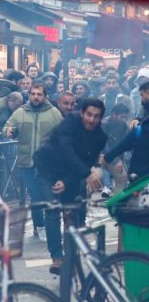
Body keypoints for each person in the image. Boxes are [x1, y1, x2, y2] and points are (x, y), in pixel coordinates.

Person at [34, 98, 107, 274]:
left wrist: (67, 182)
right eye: (89, 114)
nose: (91, 120)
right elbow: (67, 150)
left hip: (71, 174)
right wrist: (86, 174)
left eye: (96, 116)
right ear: (82, 113)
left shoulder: (100, 137)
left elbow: (87, 161)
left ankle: (72, 256)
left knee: (74, 212)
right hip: (47, 168)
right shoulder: (71, 121)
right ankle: (57, 258)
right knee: (52, 210)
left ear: (100, 118)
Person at [4, 83, 63, 240]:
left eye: (39, 94)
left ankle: (50, 224)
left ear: (45, 96)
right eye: (33, 94)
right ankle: (40, 226)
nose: (36, 97)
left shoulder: (54, 113)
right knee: (35, 195)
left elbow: (63, 135)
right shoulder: (20, 112)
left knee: (47, 195)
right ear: (29, 95)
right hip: (27, 162)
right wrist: (9, 131)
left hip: (47, 163)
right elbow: (7, 127)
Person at [103, 81, 149, 179]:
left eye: (142, 95)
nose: (141, 99)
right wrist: (138, 120)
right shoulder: (145, 113)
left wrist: (108, 157)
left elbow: (129, 140)